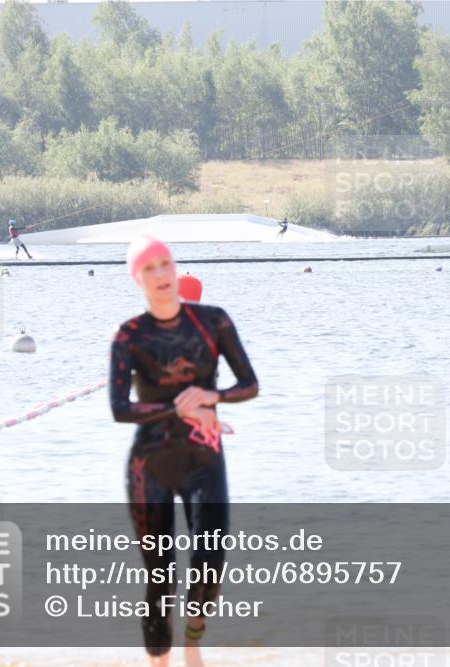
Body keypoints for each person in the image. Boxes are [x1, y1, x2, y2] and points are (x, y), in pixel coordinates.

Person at [110, 236, 258, 667]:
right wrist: (176, 406)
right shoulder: (129, 335)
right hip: (149, 465)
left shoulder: (215, 322)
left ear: (175, 269)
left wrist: (211, 398)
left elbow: (249, 384)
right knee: (160, 579)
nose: (159, 274)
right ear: (137, 279)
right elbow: (121, 409)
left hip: (204, 458)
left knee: (210, 562)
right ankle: (159, 662)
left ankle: (193, 643)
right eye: (148, 268)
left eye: (165, 265)